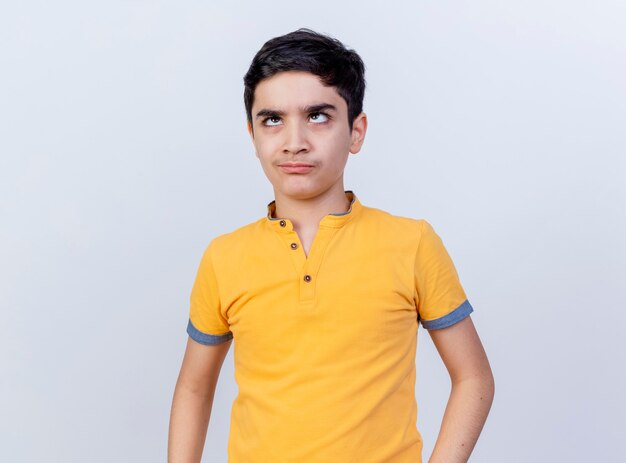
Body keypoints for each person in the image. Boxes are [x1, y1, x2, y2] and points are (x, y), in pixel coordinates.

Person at [168, 28, 494, 463]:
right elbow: (194, 386)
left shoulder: (411, 243)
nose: (294, 140)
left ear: (356, 131)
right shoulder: (224, 257)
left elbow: (473, 377)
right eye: (273, 119)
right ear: (252, 134)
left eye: (318, 116)